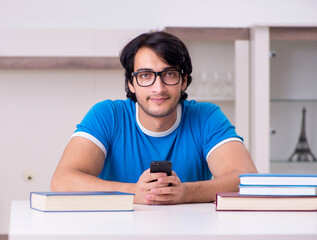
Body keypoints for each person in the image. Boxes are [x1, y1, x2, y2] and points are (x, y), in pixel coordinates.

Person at [51, 31, 257, 205]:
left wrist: (185, 192)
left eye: (169, 74)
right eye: (145, 75)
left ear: (184, 80)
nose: (158, 88)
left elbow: (247, 179)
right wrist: (134, 192)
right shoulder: (108, 115)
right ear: (131, 83)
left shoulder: (206, 117)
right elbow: (62, 181)